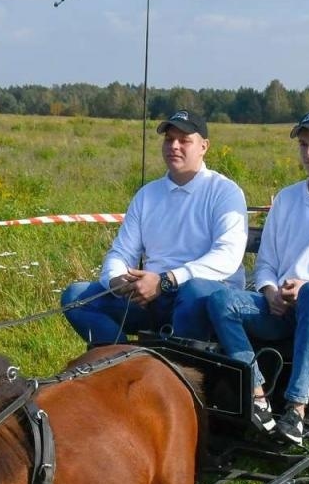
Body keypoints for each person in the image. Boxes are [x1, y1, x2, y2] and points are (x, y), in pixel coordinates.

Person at [205, 111, 309, 446]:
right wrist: (270, 291)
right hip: (283, 306)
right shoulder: (287, 199)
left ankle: (296, 408)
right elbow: (267, 262)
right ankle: (256, 396)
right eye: (304, 145)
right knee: (219, 299)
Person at [61, 111, 248, 345]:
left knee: (194, 291)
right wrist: (117, 281)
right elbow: (121, 252)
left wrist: (166, 281)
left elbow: (227, 257)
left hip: (199, 297)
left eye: (184, 140)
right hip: (148, 297)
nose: (174, 146)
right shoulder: (147, 195)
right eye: (169, 139)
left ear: (204, 146)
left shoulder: (224, 192)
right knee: (75, 297)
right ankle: (119, 362)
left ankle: (180, 368)